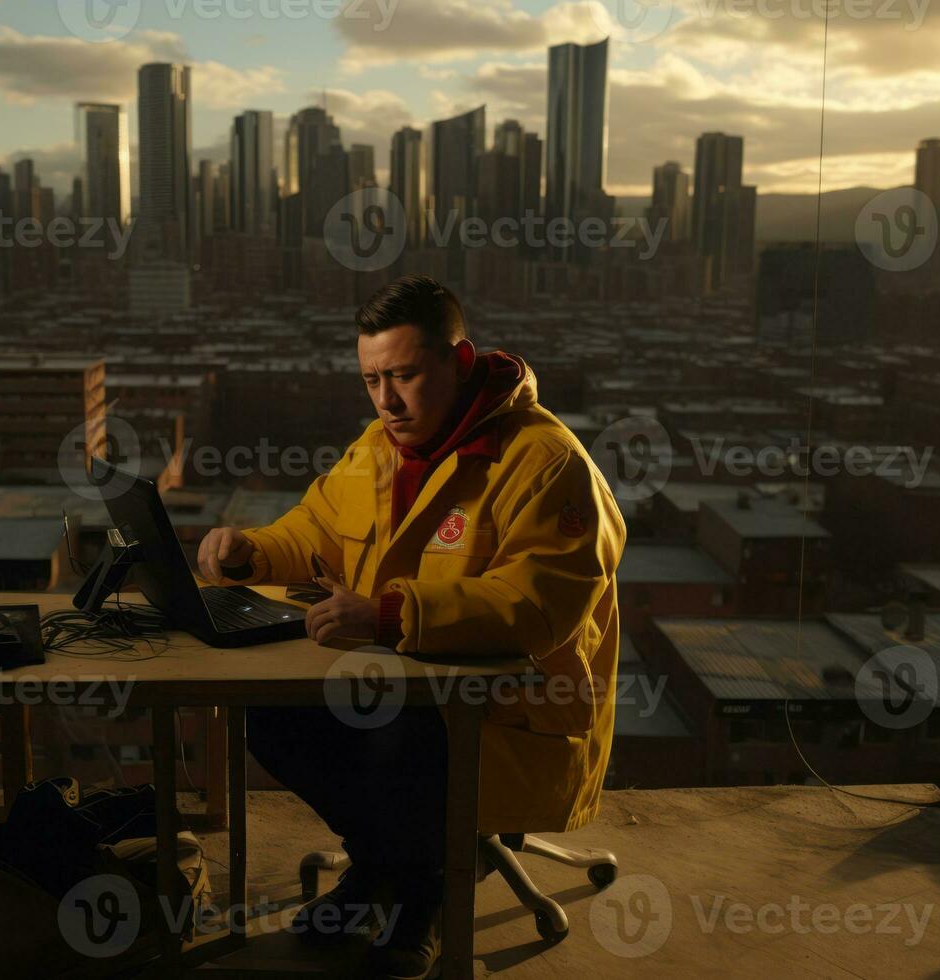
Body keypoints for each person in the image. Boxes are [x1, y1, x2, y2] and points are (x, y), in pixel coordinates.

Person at [197, 274, 625, 979]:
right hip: (398, 679)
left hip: (508, 709)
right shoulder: (377, 447)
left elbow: (539, 606)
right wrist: (251, 551)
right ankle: (382, 859)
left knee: (403, 728)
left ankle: (421, 890)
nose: (386, 401)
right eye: (371, 380)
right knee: (269, 712)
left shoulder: (547, 464)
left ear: (458, 364)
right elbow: (316, 529)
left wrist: (392, 614)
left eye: (403, 375)